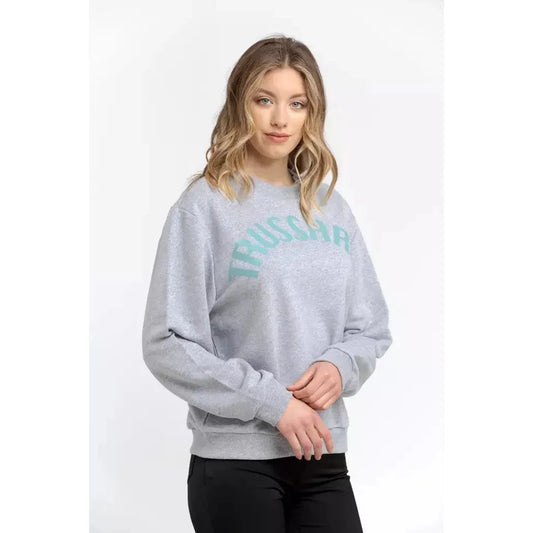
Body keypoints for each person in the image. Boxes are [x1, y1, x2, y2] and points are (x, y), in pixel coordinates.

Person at [142, 34, 393, 533]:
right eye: (264, 100)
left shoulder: (329, 208)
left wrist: (339, 364)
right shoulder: (204, 207)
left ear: (312, 113)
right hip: (236, 463)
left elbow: (371, 328)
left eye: (297, 104)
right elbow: (166, 342)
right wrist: (273, 403)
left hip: (323, 453)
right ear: (241, 104)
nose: (280, 119)